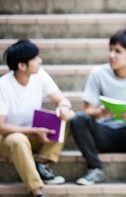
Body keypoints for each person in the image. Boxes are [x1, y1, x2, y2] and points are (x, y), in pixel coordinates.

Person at [70, 29, 126, 186]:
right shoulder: (98, 73)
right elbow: (87, 110)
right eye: (110, 49)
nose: (111, 55)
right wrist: (101, 112)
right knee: (78, 119)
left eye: (117, 51)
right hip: (104, 135)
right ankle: (94, 168)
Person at [0, 39, 74, 197]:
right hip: (8, 139)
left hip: (35, 134)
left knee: (69, 116)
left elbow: (62, 99)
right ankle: (37, 191)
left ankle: (42, 162)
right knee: (18, 139)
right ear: (22, 66)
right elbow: (0, 126)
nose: (39, 60)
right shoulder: (3, 86)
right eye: (34, 58)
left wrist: (64, 107)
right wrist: (31, 130)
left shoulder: (39, 75)